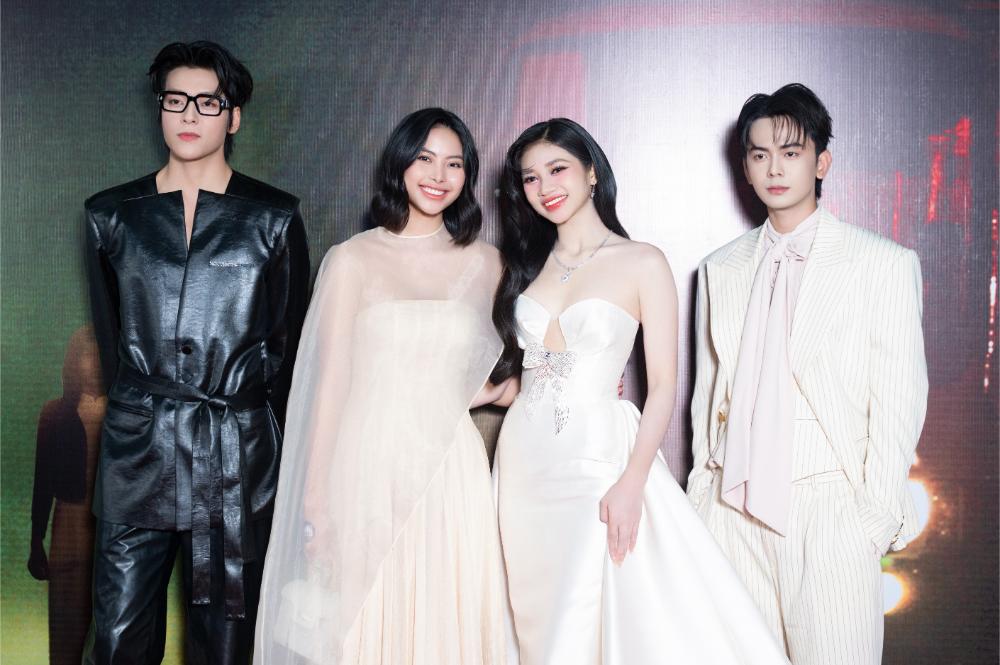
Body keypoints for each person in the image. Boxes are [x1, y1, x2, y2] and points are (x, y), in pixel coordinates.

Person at [491, 118, 788, 665]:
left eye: (557, 169)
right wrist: (469, 394)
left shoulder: (642, 261)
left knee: (584, 606)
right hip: (521, 465)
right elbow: (532, 377)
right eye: (530, 178)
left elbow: (664, 386)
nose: (545, 187)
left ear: (591, 173)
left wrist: (632, 482)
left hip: (596, 459)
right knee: (530, 612)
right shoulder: (524, 266)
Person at [254, 108, 515, 665]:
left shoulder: (487, 263)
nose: (439, 175)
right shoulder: (352, 259)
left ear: (468, 175)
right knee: (364, 620)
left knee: (449, 616)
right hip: (366, 466)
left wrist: (500, 391)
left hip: (449, 469)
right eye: (425, 158)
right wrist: (316, 499)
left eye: (454, 164)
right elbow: (331, 383)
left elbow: (503, 365)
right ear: (399, 165)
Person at [83, 41, 310, 665]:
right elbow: (111, 339)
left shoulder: (274, 217)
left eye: (208, 102)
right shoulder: (110, 216)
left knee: (227, 641)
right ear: (159, 107)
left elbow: (288, 350)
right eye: (175, 99)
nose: (189, 113)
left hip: (237, 454)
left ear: (233, 117)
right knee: (118, 638)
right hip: (138, 452)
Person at [687, 83, 928, 665]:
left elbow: (899, 399)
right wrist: (701, 502)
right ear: (745, 167)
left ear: (821, 162)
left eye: (791, 152)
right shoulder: (719, 268)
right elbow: (707, 397)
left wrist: (872, 520)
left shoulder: (881, 264)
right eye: (760, 154)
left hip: (830, 511)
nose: (774, 168)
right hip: (732, 510)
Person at [28, 325, 105, 665]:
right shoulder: (53, 414)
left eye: (100, 354)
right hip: (68, 535)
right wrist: (36, 541)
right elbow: (42, 483)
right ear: (73, 361)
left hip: (111, 538)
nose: (95, 362)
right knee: (66, 637)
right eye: (88, 354)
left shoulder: (121, 413)